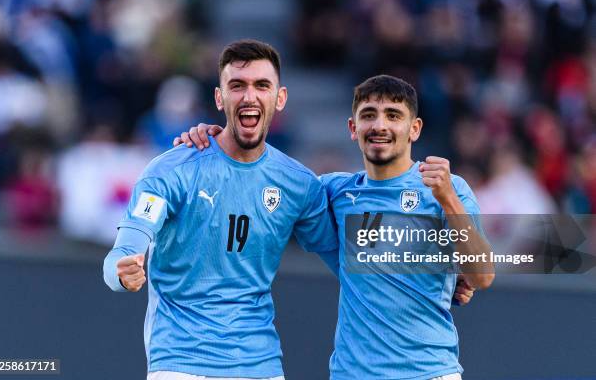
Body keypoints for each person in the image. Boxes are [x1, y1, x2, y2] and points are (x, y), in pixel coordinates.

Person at [179, 75, 493, 380]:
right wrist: (215, 139)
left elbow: (482, 275)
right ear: (353, 129)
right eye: (368, 115)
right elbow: (261, 179)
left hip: (427, 371)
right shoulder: (335, 192)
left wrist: (449, 202)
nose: (380, 126)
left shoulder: (448, 189)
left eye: (393, 115)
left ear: (414, 129)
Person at [103, 39, 340, 380]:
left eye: (262, 85)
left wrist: (435, 280)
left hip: (261, 365)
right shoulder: (172, 170)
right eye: (237, 86)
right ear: (219, 98)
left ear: (280, 97)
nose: (249, 96)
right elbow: (124, 250)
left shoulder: (298, 184)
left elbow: (346, 262)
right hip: (180, 362)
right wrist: (122, 274)